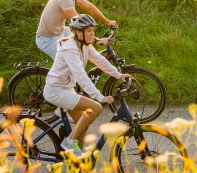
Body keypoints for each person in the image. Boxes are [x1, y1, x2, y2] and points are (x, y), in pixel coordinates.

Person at [43, 14, 131, 156]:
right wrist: (99, 97)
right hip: (56, 91)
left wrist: (119, 75)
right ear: (78, 32)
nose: (93, 34)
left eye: (93, 30)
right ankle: (69, 142)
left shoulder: (84, 45)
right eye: (89, 31)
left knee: (82, 125)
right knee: (95, 108)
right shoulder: (69, 48)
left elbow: (99, 60)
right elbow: (81, 76)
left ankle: (75, 162)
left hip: (66, 89)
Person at [36, 0, 117, 60]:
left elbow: (89, 7)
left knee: (87, 48)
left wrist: (107, 21)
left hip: (61, 32)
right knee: (71, 63)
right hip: (48, 39)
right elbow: (80, 23)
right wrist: (97, 40)